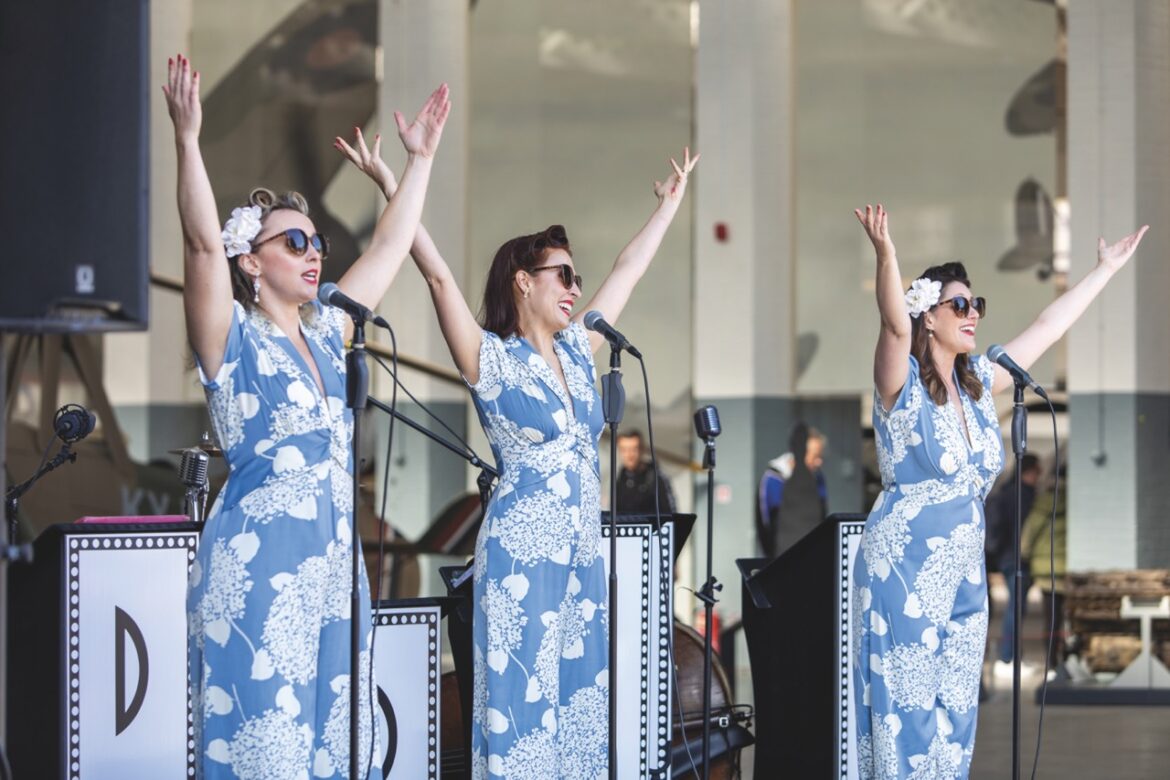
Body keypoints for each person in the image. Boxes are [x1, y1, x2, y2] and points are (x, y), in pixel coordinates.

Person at [335, 133, 697, 776]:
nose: (574, 287)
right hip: (521, 558)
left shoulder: (583, 353)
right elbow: (436, 273)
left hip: (582, 555)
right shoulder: (492, 359)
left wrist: (668, 207)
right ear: (522, 283)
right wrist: (397, 182)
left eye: (574, 277)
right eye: (562, 275)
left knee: (582, 708)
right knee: (520, 708)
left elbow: (627, 270)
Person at [167, 53, 449, 778]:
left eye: (317, 242)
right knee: (264, 742)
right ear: (252, 263)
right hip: (260, 565)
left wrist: (417, 163)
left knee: (333, 747)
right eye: (294, 242)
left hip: (331, 566)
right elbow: (201, 244)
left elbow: (389, 245)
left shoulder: (329, 331)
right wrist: (188, 138)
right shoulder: (231, 336)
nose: (313, 253)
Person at [850, 203, 1146, 778]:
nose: (972, 314)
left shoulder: (982, 382)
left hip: (964, 566)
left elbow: (1044, 329)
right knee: (906, 710)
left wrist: (1103, 271)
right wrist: (886, 254)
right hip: (903, 566)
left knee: (957, 711)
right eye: (958, 305)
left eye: (976, 305)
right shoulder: (900, 384)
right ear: (928, 317)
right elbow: (891, 324)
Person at [984, 452, 1042, 677]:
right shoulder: (1022, 496)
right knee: (1016, 608)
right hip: (1015, 558)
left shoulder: (1007, 493)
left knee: (1016, 608)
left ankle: (1010, 656)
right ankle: (1008, 658)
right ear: (1030, 471)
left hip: (1008, 556)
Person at [1020, 461, 1067, 675]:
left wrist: (1025, 554)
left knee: (1051, 617)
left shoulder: (1044, 502)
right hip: (1069, 567)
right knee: (1068, 619)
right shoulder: (1076, 501)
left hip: (1046, 567)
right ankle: (1067, 660)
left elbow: (1029, 535)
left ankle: (1051, 662)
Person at [756, 422, 828, 557]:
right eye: (815, 456)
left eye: (820, 456)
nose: (819, 462)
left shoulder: (818, 478)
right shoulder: (773, 479)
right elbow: (765, 523)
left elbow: (823, 515)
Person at [615, 429, 676, 515]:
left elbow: (670, 514)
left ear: (642, 449)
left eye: (634, 449)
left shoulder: (656, 478)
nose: (629, 454)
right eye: (624, 450)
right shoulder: (619, 480)